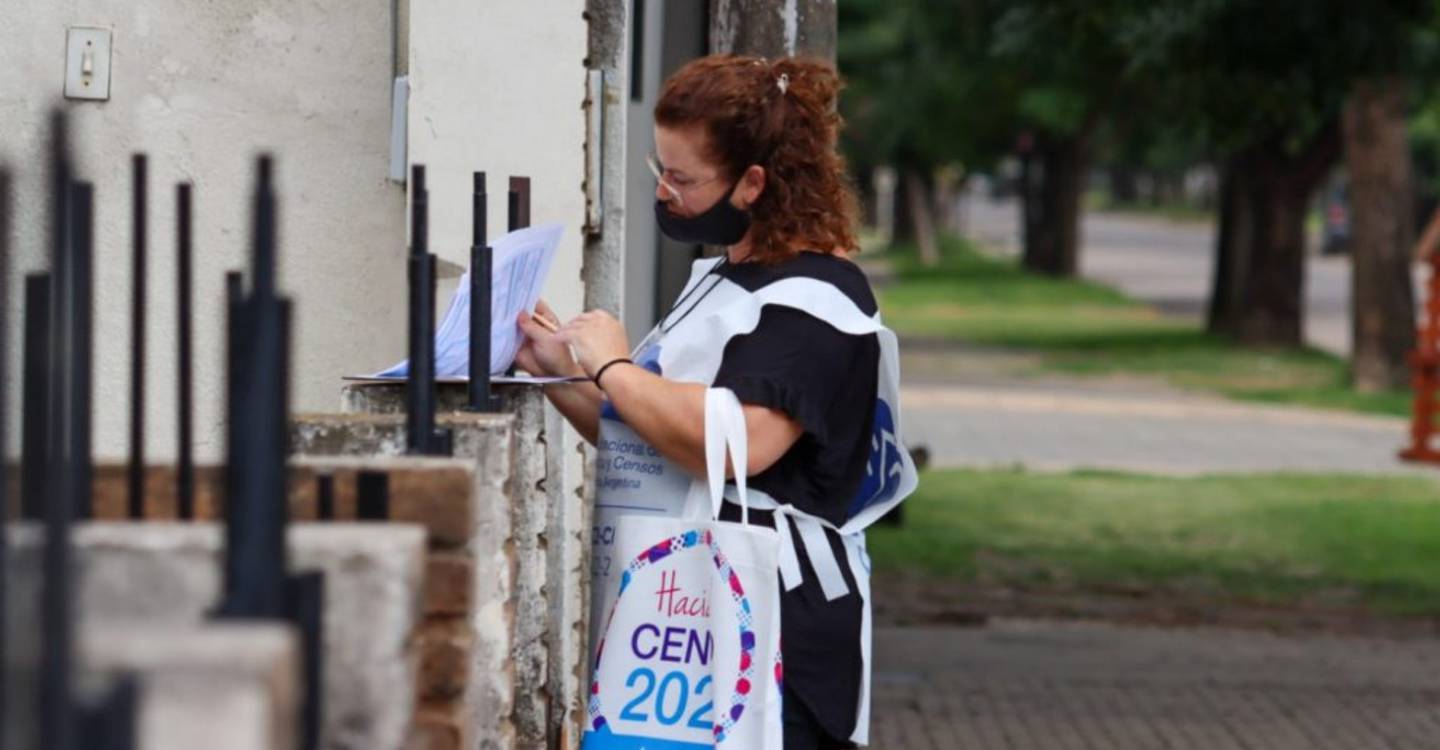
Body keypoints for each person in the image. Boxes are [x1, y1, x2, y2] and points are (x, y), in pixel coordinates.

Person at [515, 54, 915, 749]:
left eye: (683, 177)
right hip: (690, 614)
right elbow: (655, 440)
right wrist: (558, 375)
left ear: (753, 183)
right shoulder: (725, 278)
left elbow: (740, 442)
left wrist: (610, 362)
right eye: (658, 169)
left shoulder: (817, 300)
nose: (664, 193)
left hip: (775, 628)